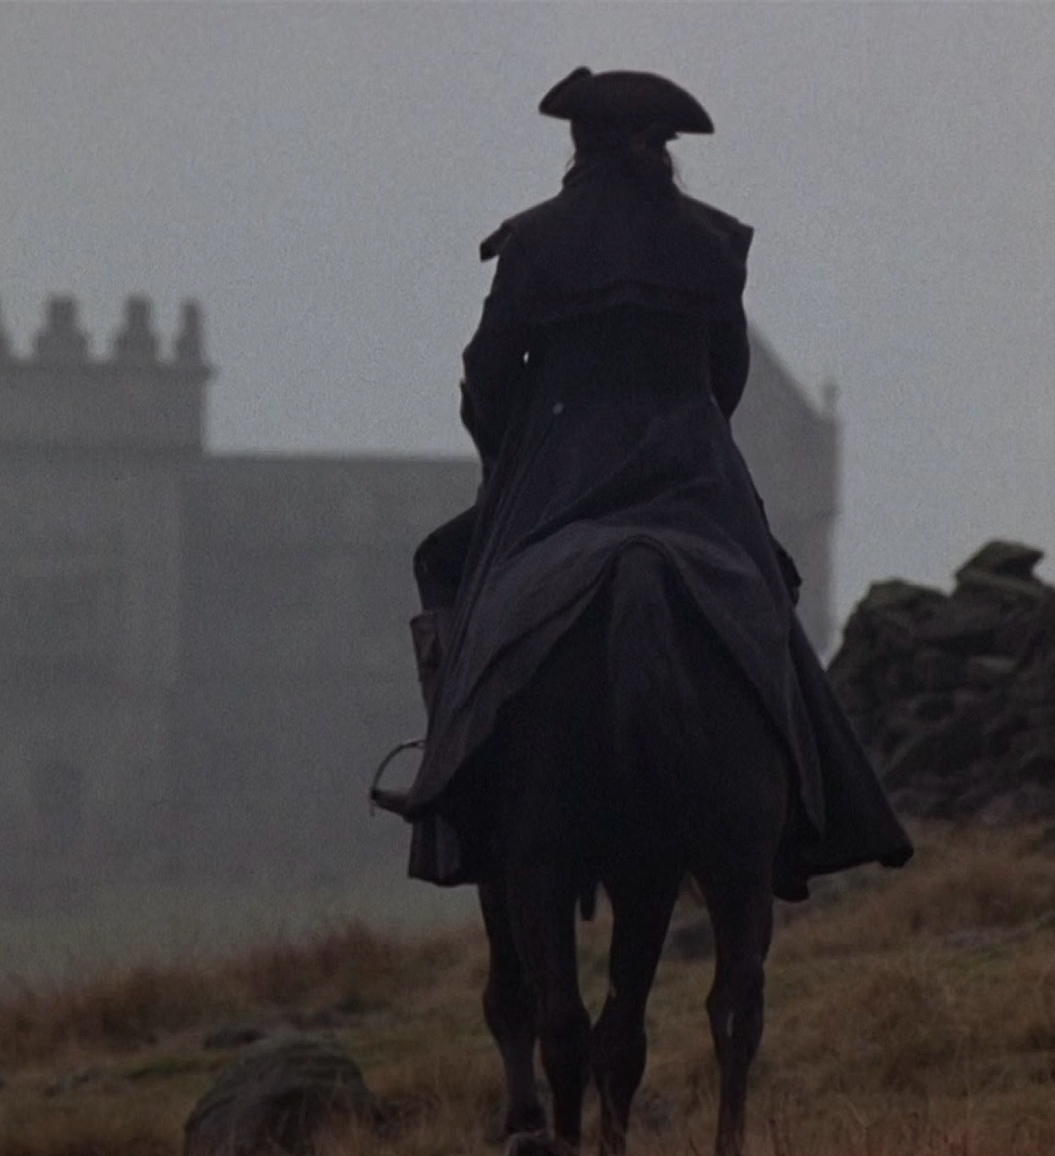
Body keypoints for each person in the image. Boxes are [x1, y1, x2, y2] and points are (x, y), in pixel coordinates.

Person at [374, 68, 910, 899]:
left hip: (559, 479)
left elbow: (487, 374)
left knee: (449, 569)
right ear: (657, 148)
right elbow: (726, 377)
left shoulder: (535, 240)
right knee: (768, 594)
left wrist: (508, 457)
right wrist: (691, 435)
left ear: (583, 144)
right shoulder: (713, 243)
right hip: (692, 479)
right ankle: (823, 793)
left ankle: (446, 778)